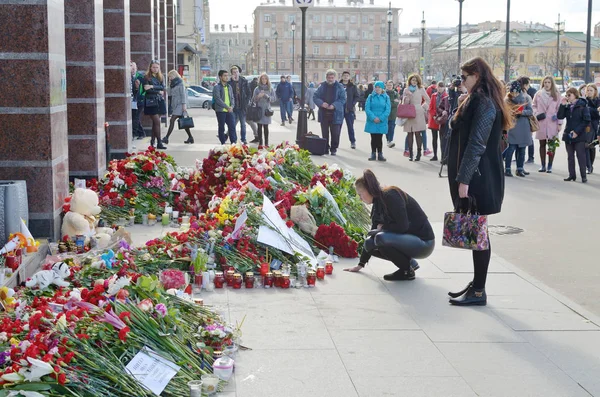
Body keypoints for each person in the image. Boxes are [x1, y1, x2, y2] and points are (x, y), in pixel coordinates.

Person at [447, 56, 513, 306]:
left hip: (478, 176)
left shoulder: (484, 103)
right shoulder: (475, 100)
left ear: (478, 76)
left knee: (479, 233)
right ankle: (476, 285)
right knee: (477, 232)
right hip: (475, 173)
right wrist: (462, 104)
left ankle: (479, 290)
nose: (462, 81)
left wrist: (464, 180)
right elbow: (457, 128)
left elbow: (477, 143)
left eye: (465, 77)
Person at [344, 169, 435, 281]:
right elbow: (371, 234)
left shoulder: (391, 195)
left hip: (424, 242)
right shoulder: (377, 205)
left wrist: (383, 228)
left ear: (368, 190)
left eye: (360, 194)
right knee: (370, 243)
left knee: (381, 237)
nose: (360, 198)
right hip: (408, 241)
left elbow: (403, 226)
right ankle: (407, 265)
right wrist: (360, 264)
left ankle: (407, 270)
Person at [558, 87, 592, 183]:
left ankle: (583, 176)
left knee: (581, 156)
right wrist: (562, 105)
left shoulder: (582, 106)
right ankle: (572, 175)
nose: (567, 97)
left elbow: (586, 120)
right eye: (566, 95)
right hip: (568, 134)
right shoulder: (567, 106)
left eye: (569, 95)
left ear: (575, 95)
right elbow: (560, 116)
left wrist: (576, 132)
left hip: (579, 135)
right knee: (570, 156)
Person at [313, 69, 347, 156]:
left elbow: (343, 99)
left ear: (334, 77)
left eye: (332, 77)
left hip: (336, 113)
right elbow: (315, 96)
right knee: (325, 132)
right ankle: (325, 148)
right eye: (329, 77)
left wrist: (334, 105)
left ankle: (334, 148)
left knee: (335, 132)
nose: (330, 79)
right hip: (324, 113)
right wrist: (321, 103)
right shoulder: (322, 86)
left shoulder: (340, 87)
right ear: (326, 77)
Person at [532, 76, 562, 173]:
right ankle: (543, 165)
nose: (547, 84)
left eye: (549, 82)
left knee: (552, 144)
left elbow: (559, 109)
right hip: (542, 121)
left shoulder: (556, 95)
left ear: (552, 83)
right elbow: (533, 105)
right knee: (542, 144)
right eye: (545, 82)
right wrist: (537, 113)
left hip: (552, 122)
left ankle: (550, 165)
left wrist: (559, 122)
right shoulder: (539, 94)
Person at [504, 81, 533, 177]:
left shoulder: (526, 98)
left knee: (522, 149)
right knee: (511, 148)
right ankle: (507, 169)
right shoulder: (507, 100)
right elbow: (504, 112)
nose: (514, 94)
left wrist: (522, 112)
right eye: (512, 92)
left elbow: (530, 111)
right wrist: (510, 112)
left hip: (524, 126)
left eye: (516, 92)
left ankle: (520, 169)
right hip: (513, 126)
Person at [402, 74, 430, 161]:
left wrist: (423, 108)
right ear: (410, 81)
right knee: (409, 133)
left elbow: (428, 99)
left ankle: (419, 153)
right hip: (409, 111)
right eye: (412, 80)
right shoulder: (406, 89)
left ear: (418, 81)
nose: (414, 82)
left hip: (418, 112)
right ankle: (410, 153)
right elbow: (404, 102)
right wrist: (408, 96)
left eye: (415, 80)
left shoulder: (421, 89)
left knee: (418, 133)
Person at [141, 60, 167, 149]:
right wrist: (158, 91)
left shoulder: (161, 77)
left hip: (159, 101)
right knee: (157, 122)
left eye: (157, 67)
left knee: (155, 123)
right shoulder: (146, 77)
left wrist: (152, 86)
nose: (155, 69)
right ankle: (159, 142)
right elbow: (147, 90)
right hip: (150, 102)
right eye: (153, 67)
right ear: (150, 68)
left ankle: (152, 141)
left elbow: (163, 87)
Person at [162, 70, 193, 144]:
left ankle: (166, 138)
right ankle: (190, 137)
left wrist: (184, 105)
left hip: (180, 104)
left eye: (171, 76)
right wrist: (169, 85)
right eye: (169, 77)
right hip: (175, 105)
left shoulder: (180, 83)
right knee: (184, 123)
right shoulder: (173, 84)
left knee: (172, 120)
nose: (170, 78)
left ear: (174, 75)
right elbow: (169, 94)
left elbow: (183, 95)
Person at [364, 81, 390, 161]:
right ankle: (373, 153)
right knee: (373, 138)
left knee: (379, 138)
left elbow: (388, 109)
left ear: (382, 88)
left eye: (379, 87)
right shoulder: (370, 97)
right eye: (376, 87)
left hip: (382, 121)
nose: (377, 89)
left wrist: (381, 118)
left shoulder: (386, 97)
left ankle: (380, 153)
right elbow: (367, 108)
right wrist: (373, 117)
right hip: (372, 120)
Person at [213, 70, 237, 144]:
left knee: (232, 126)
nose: (227, 77)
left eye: (227, 75)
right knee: (221, 127)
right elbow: (218, 99)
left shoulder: (229, 86)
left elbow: (232, 97)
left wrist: (232, 106)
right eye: (225, 76)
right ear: (220, 77)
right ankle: (223, 143)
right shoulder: (217, 87)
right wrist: (227, 107)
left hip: (229, 110)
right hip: (221, 110)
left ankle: (233, 142)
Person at [251, 73, 276, 147]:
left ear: (267, 80)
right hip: (259, 110)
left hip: (266, 111)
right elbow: (253, 100)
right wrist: (258, 96)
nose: (264, 80)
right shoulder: (257, 89)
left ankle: (266, 143)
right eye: (262, 79)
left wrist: (266, 96)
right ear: (260, 80)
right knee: (259, 127)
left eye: (265, 79)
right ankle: (260, 143)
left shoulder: (270, 88)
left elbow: (274, 99)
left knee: (266, 127)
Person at [229, 65, 251, 144]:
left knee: (243, 124)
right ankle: (234, 140)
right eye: (234, 72)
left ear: (239, 72)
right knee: (233, 124)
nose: (236, 73)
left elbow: (249, 93)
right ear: (231, 74)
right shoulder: (230, 82)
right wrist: (233, 81)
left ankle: (243, 139)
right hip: (234, 107)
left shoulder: (244, 81)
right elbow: (229, 93)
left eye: (237, 72)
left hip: (242, 106)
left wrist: (246, 102)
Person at [428, 82, 450, 162]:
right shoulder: (434, 95)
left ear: (444, 88)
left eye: (442, 87)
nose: (440, 88)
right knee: (434, 138)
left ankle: (443, 156)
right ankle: (435, 155)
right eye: (439, 87)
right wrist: (434, 115)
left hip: (442, 119)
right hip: (434, 119)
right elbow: (430, 107)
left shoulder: (447, 96)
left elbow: (447, 108)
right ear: (437, 87)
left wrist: (441, 116)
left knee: (442, 139)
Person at [517, 77, 536, 163]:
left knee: (519, 144)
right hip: (522, 123)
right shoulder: (525, 96)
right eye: (528, 84)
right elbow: (530, 111)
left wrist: (520, 112)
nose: (529, 86)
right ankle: (520, 165)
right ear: (524, 85)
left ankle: (528, 158)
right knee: (521, 144)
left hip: (520, 123)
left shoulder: (527, 95)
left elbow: (530, 111)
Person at [340, 71, 359, 149]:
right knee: (337, 127)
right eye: (344, 75)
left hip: (349, 109)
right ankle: (335, 142)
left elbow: (357, 96)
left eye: (347, 76)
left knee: (350, 127)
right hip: (340, 109)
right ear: (342, 76)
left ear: (349, 77)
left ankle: (353, 141)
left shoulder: (352, 86)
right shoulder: (338, 85)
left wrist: (352, 104)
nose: (345, 77)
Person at [584, 84, 600, 174]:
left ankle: (590, 165)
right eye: (588, 90)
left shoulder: (598, 100)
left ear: (595, 92)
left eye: (591, 90)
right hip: (586, 126)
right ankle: (588, 166)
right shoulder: (584, 101)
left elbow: (597, 114)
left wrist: (590, 110)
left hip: (595, 125)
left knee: (591, 146)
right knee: (586, 145)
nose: (589, 92)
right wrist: (594, 110)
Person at [130, 62, 146, 140]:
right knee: (134, 118)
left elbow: (145, 88)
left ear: (136, 68)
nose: (132, 69)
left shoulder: (140, 76)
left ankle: (133, 134)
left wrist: (142, 97)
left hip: (139, 101)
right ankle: (141, 133)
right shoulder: (128, 77)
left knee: (136, 117)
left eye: (134, 68)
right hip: (132, 101)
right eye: (131, 67)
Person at [385, 80, 400, 148]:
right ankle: (388, 140)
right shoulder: (384, 93)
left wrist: (389, 103)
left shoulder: (395, 93)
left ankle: (390, 140)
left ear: (392, 86)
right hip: (386, 114)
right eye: (388, 85)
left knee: (392, 127)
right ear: (386, 86)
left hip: (394, 114)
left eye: (390, 85)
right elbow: (384, 103)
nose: (389, 87)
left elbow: (396, 103)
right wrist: (392, 102)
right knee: (386, 128)